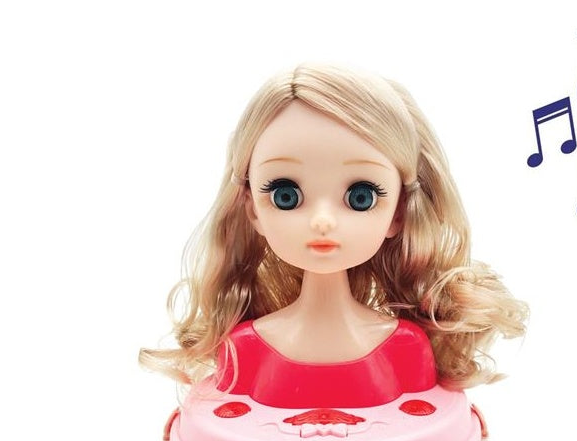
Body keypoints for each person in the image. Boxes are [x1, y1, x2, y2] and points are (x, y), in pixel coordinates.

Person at [140, 63, 527, 399]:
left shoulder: (406, 349)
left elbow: (427, 419)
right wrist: (196, 422)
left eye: (361, 196)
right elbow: (227, 420)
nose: (322, 220)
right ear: (251, 207)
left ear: (398, 212)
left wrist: (453, 421)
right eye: (286, 195)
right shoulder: (244, 351)